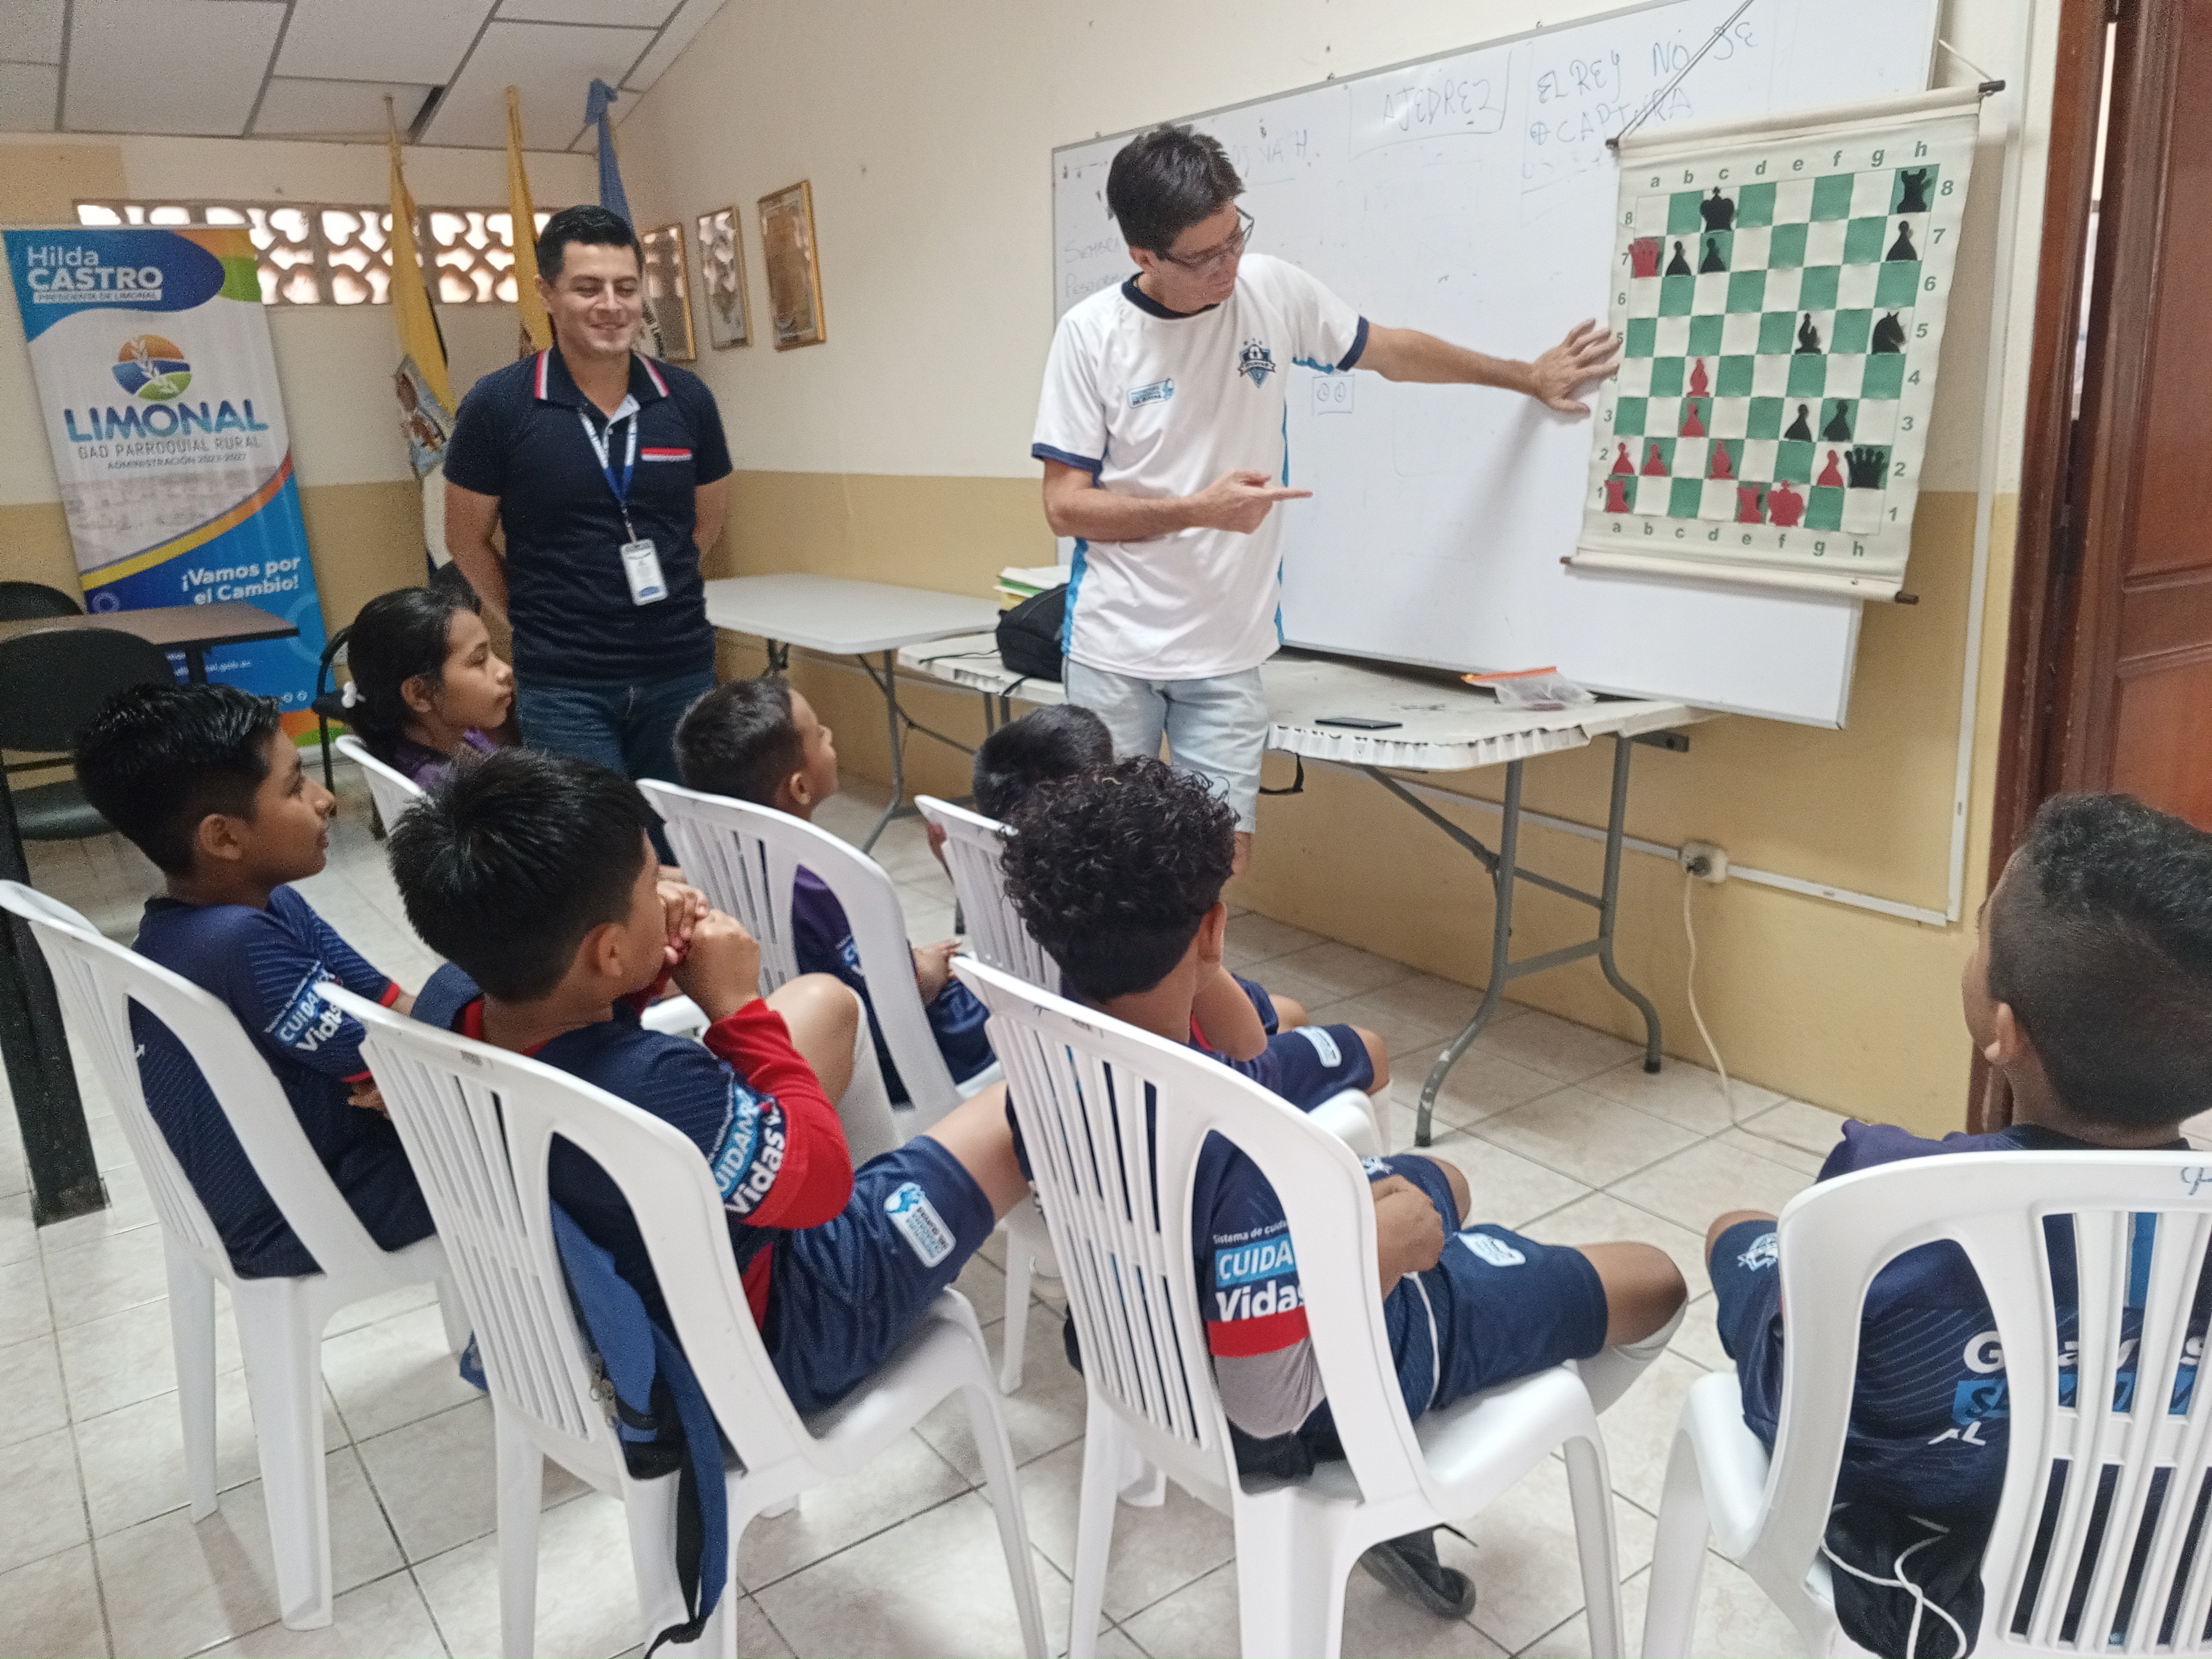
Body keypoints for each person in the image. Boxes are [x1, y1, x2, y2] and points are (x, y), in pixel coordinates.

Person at [998, 757, 1686, 1616]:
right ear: (1212, 927)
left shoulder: (1044, 1062)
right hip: (1328, 1378)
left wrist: (1201, 957)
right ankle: (1406, 1475)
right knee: (1655, 1279)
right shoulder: (1242, 1146)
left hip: (1159, 1335)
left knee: (1443, 1178)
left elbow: (1247, 1053)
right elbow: (1265, 1406)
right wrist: (1378, 1255)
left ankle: (1444, 1322)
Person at [1033, 126, 1618, 874]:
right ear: (1144, 256)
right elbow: (1066, 508)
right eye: (1204, 257)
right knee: (1108, 866)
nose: (1228, 265)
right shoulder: (1090, 336)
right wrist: (1196, 510)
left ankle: (1198, 961)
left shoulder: (1271, 292)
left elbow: (1394, 353)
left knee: (1218, 862)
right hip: (1114, 651)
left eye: (1235, 237)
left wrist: (1525, 376)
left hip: (1227, 654)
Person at [388, 749, 1031, 1416]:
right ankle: (881, 1261)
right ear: (606, 950)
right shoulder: (652, 1083)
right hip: (767, 1343)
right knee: (1021, 1107)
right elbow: (818, 1187)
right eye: (651, 883)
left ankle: (882, 1219)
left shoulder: (450, 999)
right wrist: (736, 1006)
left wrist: (640, 969)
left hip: (619, 1302)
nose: (670, 891)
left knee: (821, 1001)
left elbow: (581, 1018)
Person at [1704, 795, 2212, 1593]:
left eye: (1981, 936)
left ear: (2003, 1031)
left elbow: (1796, 1379)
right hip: (2154, 1547)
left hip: (1915, 1522)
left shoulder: (1889, 1191)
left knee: (1739, 1231)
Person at [72, 684, 434, 1277]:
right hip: (297, 1214)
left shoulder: (257, 905)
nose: (325, 799)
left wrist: (437, 1041)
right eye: (295, 786)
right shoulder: (235, 944)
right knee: (544, 1161)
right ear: (223, 837)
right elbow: (396, 1065)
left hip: (321, 1165)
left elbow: (388, 1005)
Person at [443, 204, 732, 861]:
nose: (611, 306)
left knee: (683, 852)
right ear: (546, 293)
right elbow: (465, 540)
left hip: (679, 671)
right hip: (565, 684)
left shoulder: (686, 399)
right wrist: (533, 616)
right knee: (597, 861)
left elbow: (704, 523)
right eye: (588, 287)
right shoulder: (498, 404)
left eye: (625, 288)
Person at [671, 677, 994, 1107]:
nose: (830, 736)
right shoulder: (825, 883)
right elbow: (900, 996)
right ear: (800, 787)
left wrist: (908, 962)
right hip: (903, 1058)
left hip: (805, 1031)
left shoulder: (722, 858)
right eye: (820, 734)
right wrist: (926, 970)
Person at [969, 702, 1307, 1059]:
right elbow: (1247, 1046)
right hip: (1194, 1036)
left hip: (1092, 1047)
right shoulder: (1146, 898)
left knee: (1285, 1012)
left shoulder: (1036, 895)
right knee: (1298, 1018)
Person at [342, 584, 512, 788]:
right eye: (479, 659)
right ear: (420, 693)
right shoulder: (448, 789)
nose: (505, 670)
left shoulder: (460, 736)